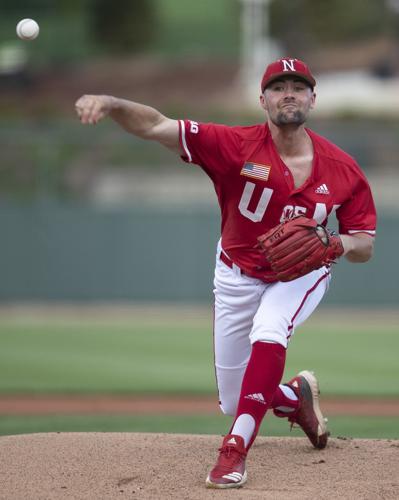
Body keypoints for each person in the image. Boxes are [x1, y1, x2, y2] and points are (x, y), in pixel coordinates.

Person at [75, 57, 376, 489]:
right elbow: (157, 126)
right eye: (277, 86)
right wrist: (109, 101)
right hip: (236, 273)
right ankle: (294, 399)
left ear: (313, 98)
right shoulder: (233, 144)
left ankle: (233, 452)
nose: (288, 92)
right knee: (236, 398)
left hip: (300, 275)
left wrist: (336, 243)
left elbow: (364, 245)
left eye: (298, 85)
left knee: (270, 331)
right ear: (262, 100)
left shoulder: (343, 168)